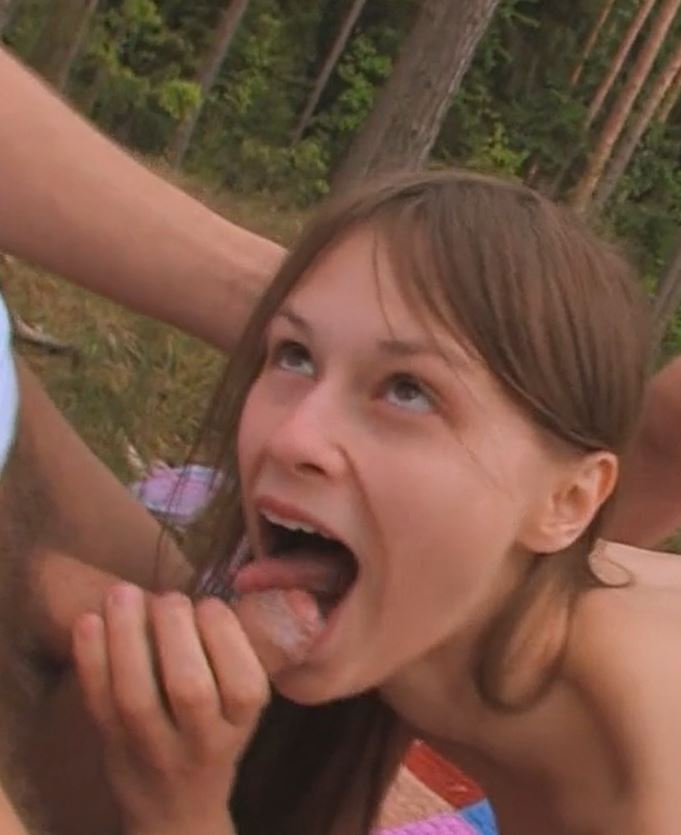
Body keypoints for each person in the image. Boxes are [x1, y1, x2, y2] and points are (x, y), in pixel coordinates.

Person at [63, 169, 681, 835]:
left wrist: (179, 808)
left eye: (409, 391)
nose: (292, 436)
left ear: (568, 500)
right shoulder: (424, 609)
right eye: (295, 355)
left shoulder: (645, 770)